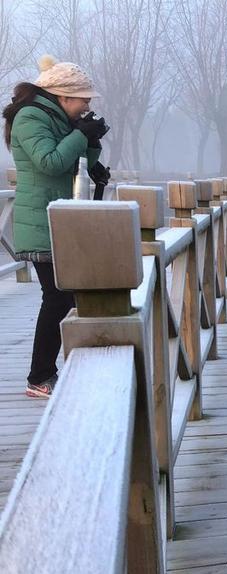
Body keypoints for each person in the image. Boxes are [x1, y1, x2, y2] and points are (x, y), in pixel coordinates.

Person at [2, 55, 109, 398]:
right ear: (63, 96)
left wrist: (92, 142)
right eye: (83, 100)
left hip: (59, 219)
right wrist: (80, 134)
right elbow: (51, 163)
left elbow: (76, 161)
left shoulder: (55, 117)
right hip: (41, 220)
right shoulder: (30, 117)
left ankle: (63, 368)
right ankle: (40, 377)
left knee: (70, 294)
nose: (86, 105)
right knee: (58, 297)